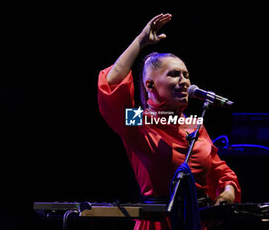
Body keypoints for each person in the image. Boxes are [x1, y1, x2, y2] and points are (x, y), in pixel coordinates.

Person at [98, 13, 241, 230]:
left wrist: (228, 191)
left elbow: (220, 171)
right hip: (158, 223)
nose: (184, 81)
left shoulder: (194, 123)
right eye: (174, 74)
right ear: (150, 85)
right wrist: (140, 41)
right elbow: (111, 86)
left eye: (186, 74)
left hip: (195, 221)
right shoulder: (139, 120)